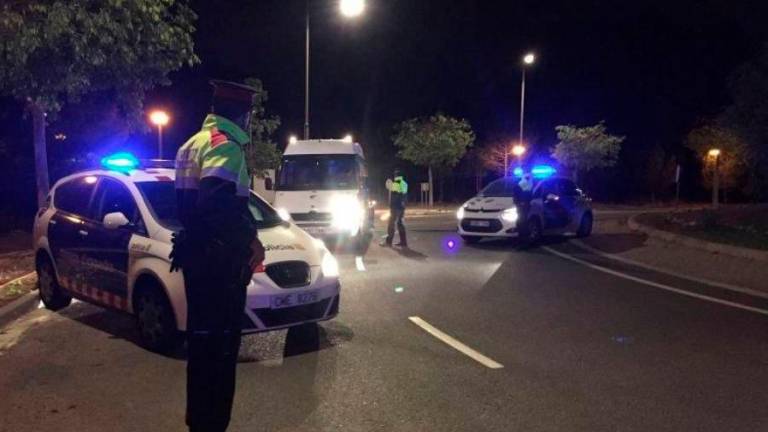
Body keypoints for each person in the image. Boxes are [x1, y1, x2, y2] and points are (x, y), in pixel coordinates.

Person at [171, 80, 265, 432]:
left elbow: (189, 209)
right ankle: (213, 424)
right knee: (222, 353)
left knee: (201, 348)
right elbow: (219, 206)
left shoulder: (189, 145)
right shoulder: (226, 147)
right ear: (243, 114)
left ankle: (199, 422)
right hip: (220, 266)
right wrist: (251, 241)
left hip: (197, 259)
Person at [382, 169, 408, 247]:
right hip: (402, 207)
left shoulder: (395, 184)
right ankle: (403, 242)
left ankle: (388, 242)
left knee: (391, 224)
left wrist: (388, 181)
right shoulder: (404, 183)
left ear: (396, 176)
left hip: (395, 206)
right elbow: (404, 194)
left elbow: (388, 186)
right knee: (400, 223)